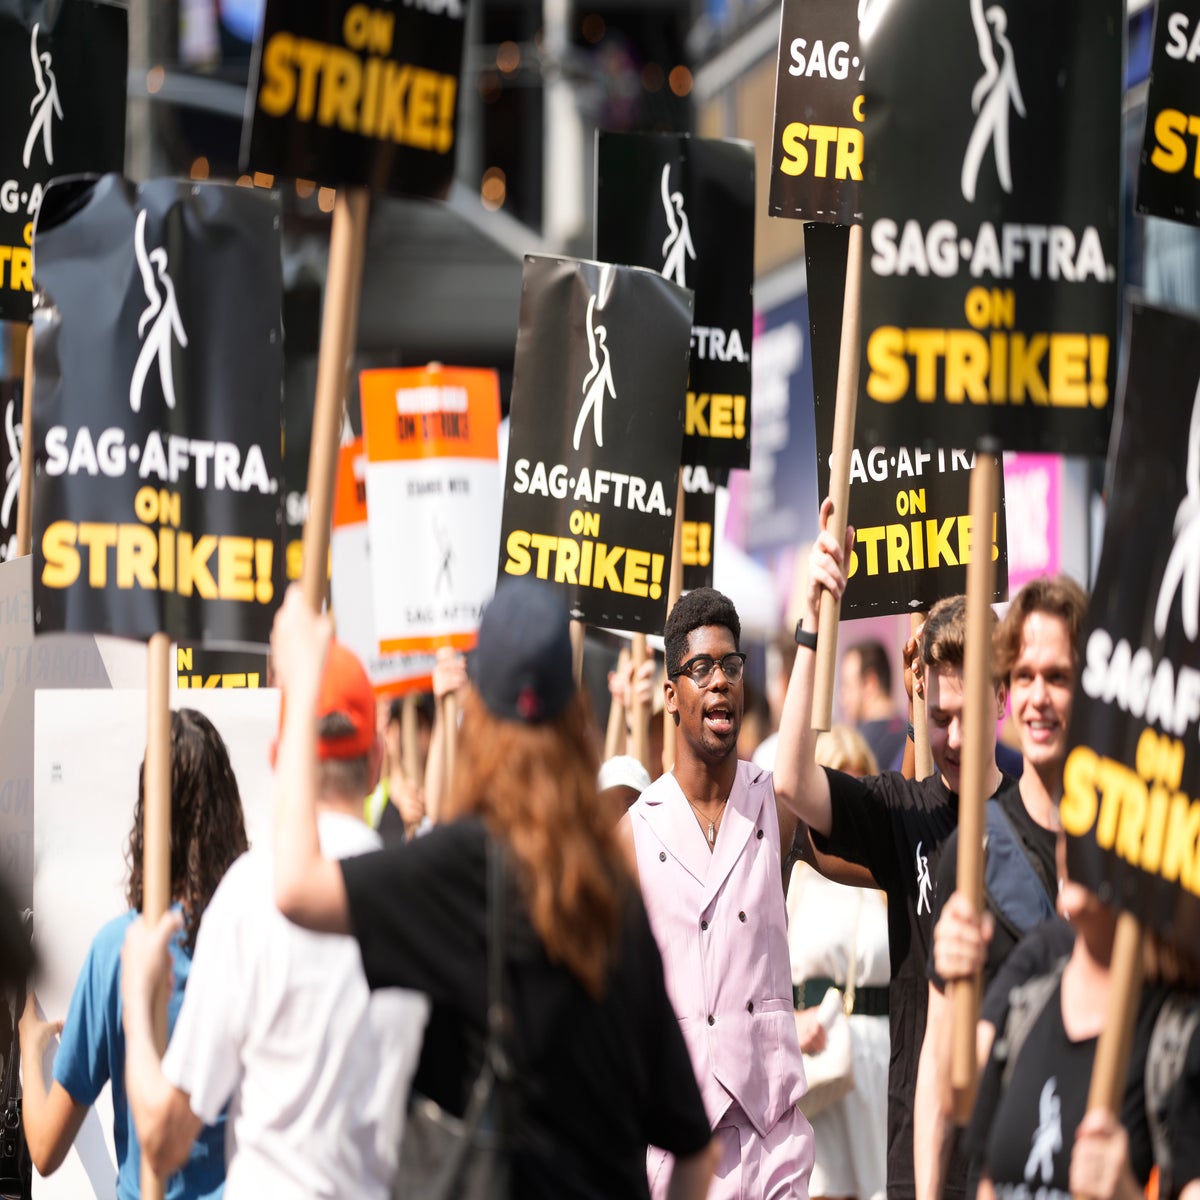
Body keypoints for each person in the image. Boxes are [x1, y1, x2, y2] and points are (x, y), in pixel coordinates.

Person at [267, 580, 716, 1199]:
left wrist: (300, 684)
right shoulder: (611, 891)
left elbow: (295, 886)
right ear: (575, 714)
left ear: (478, 713)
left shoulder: (463, 870)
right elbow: (693, 1147)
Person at [119, 642, 430, 1200]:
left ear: (278, 757)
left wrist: (139, 1009)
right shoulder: (422, 902)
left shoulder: (247, 894)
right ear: (378, 759)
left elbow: (164, 1141)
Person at [773, 497, 1018, 1200]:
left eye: (970, 714)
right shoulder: (901, 810)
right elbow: (791, 779)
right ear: (917, 699)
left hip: (1021, 1144)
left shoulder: (1041, 815)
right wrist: (816, 618)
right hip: (920, 1151)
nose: (955, 738)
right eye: (938, 718)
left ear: (1000, 698)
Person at [623, 586, 814, 1200]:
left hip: (775, 1148)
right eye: (700, 668)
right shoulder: (633, 830)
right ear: (671, 696)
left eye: (730, 665)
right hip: (680, 1158)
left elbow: (886, 832)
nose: (719, 681)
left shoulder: (779, 801)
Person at [19, 708, 247, 1199]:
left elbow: (43, 1147)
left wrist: (27, 1044)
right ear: (229, 813)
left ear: (148, 815)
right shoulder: (257, 941)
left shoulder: (118, 950)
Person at [915, 575, 1087, 1200]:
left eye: (1058, 676)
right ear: (1009, 692)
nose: (1039, 697)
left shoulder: (1128, 853)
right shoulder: (978, 847)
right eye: (1025, 676)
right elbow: (942, 1061)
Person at [789, 726, 890, 1200]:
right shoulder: (796, 876)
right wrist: (790, 1021)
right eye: (837, 790)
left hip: (880, 1061)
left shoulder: (888, 878)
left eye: (859, 789)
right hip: (818, 1060)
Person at [838, 640, 907, 773]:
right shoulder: (913, 736)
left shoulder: (854, 745)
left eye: (847, 685)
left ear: (870, 683)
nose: (842, 698)